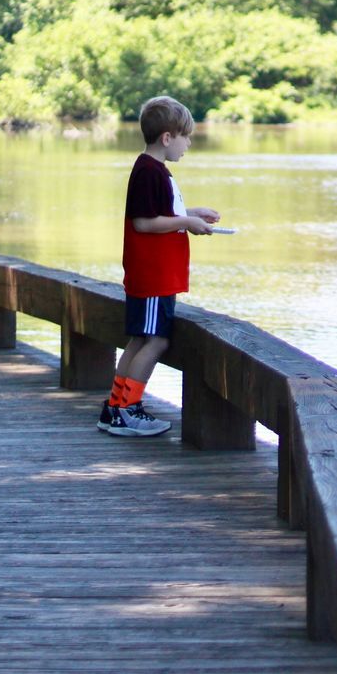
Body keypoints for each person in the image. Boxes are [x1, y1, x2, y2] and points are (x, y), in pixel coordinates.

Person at [97, 95, 219, 436]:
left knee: (139, 340)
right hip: (153, 276)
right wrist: (186, 223)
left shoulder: (152, 171)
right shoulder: (150, 172)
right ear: (167, 137)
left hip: (153, 275)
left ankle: (115, 408)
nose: (189, 143)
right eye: (186, 137)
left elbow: (160, 213)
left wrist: (191, 215)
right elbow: (145, 223)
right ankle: (128, 409)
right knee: (154, 342)